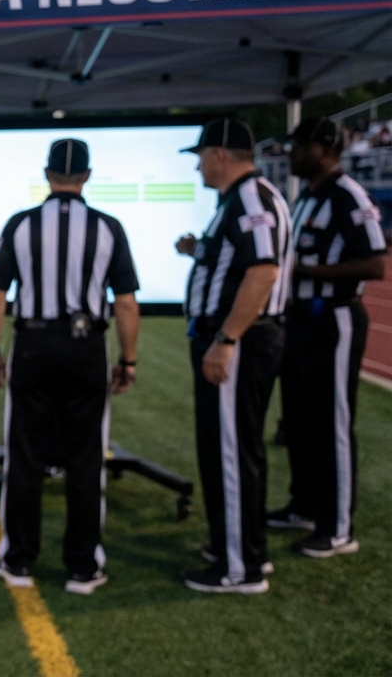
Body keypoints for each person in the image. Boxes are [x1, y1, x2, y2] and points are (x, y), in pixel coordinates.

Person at [0, 138, 140, 595]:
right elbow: (126, 304)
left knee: (25, 456)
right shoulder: (108, 227)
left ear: (47, 174)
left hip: (32, 344)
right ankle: (82, 566)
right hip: (86, 345)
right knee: (86, 459)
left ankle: (18, 559)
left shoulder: (21, 224)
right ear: (86, 176)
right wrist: (128, 360)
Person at [174, 119, 292, 594]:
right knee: (237, 449)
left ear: (220, 154)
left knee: (230, 452)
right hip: (241, 339)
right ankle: (240, 547)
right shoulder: (247, 197)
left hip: (240, 342)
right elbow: (240, 260)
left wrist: (225, 339)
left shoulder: (248, 197)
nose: (199, 166)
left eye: (201, 156)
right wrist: (199, 251)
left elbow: (261, 272)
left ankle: (237, 566)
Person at [274, 116, 386, 557]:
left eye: (300, 147)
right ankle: (303, 505)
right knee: (299, 419)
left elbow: (375, 264)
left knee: (333, 423)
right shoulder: (307, 198)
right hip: (301, 320)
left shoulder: (348, 196)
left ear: (324, 148)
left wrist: (307, 272)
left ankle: (338, 527)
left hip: (333, 319)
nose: (293, 155)